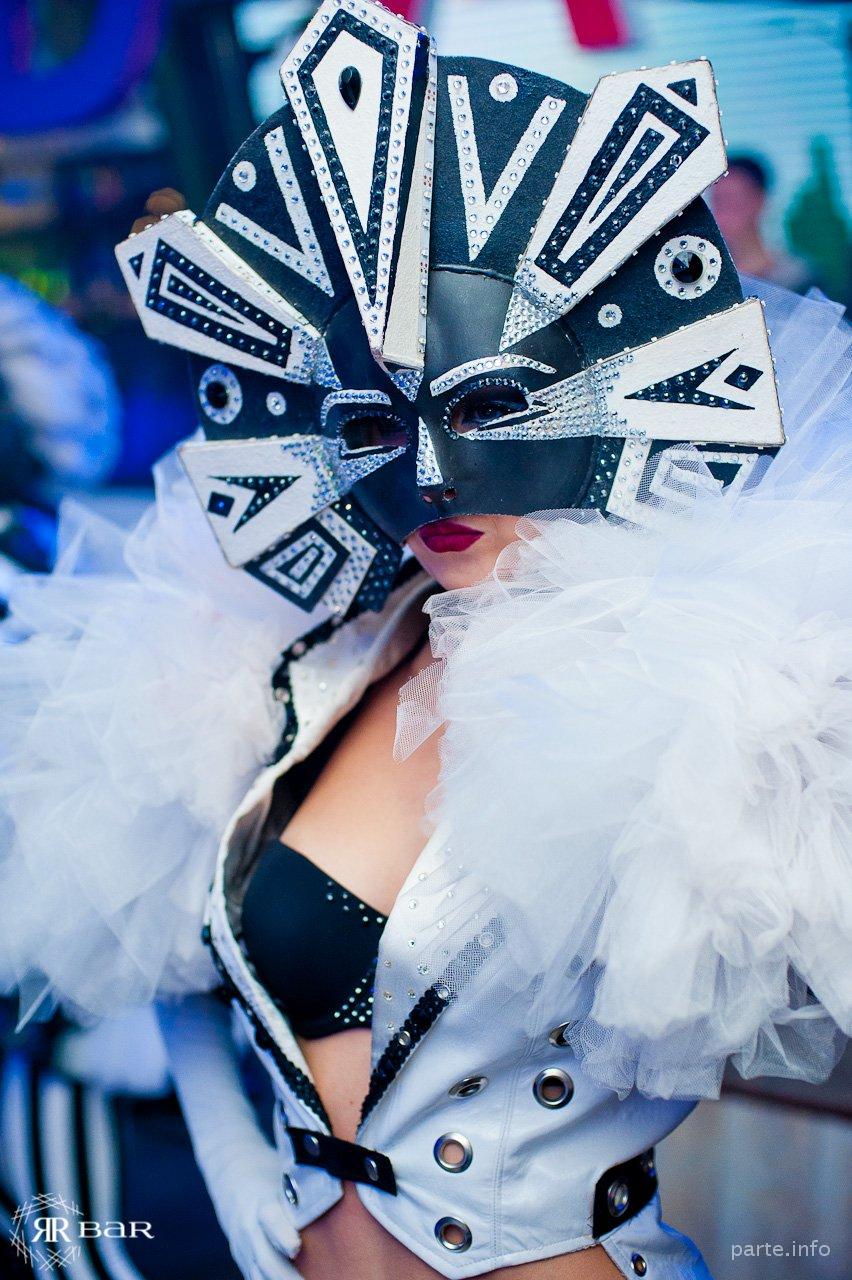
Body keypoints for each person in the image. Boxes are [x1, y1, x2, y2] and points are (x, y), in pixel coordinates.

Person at [1, 5, 850, 1279]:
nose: (433, 475)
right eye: (374, 424)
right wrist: (235, 1152)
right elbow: (164, 933)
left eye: (488, 406)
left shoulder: (726, 685)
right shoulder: (309, 669)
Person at [711, 154, 819, 293]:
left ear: (759, 201)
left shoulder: (795, 277)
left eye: (733, 201)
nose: (723, 214)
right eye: (718, 202)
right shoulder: (711, 279)